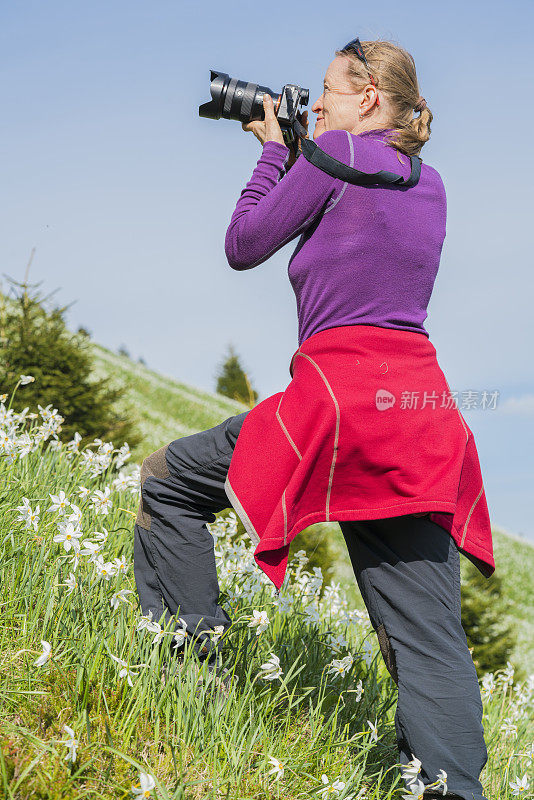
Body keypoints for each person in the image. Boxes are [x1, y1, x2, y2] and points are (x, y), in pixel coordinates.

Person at [133, 38, 493, 800]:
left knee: (167, 484)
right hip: (424, 411)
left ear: (368, 98)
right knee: (428, 641)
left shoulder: (328, 151)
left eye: (327, 89)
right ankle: (452, 790)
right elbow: (363, 207)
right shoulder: (430, 183)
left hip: (337, 403)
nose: (318, 102)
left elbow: (244, 244)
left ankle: (192, 683)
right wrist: (310, 152)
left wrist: (273, 153)